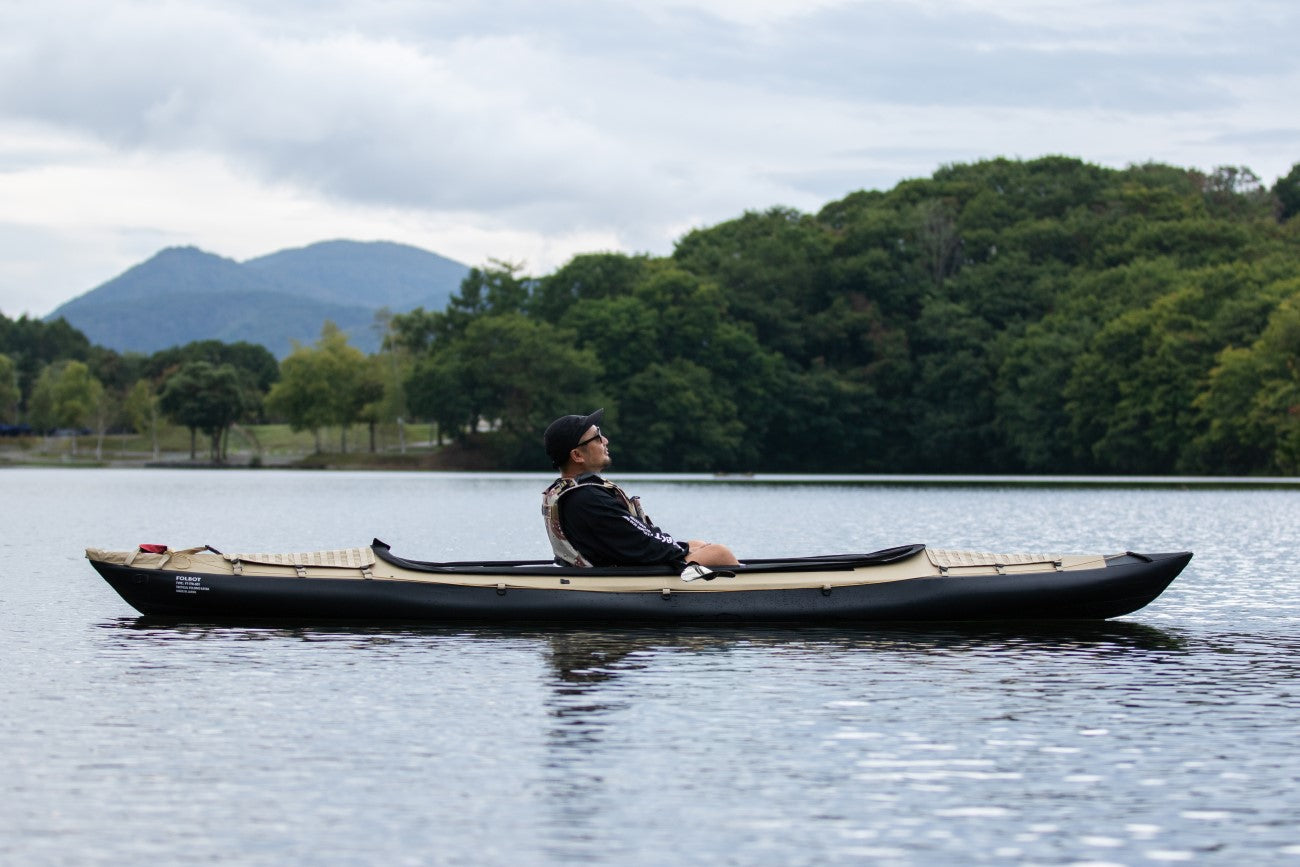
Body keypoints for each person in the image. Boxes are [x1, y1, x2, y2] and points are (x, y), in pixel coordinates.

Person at [541, 409, 739, 569]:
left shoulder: (571, 492)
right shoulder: (588, 498)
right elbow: (643, 543)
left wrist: (686, 548)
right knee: (719, 553)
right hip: (623, 575)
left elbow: (636, 538)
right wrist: (681, 551)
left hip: (615, 564)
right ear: (577, 455)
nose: (605, 441)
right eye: (597, 437)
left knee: (698, 544)